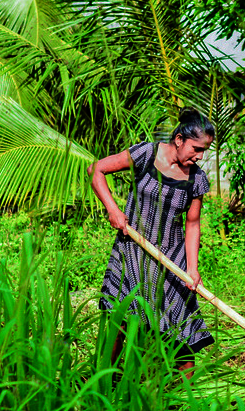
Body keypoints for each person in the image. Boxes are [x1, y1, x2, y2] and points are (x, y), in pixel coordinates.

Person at [89, 108, 215, 375]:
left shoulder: (197, 179)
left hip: (172, 260)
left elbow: (192, 224)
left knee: (183, 335)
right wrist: (113, 209)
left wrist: (192, 269)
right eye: (196, 148)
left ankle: (178, 405)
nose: (200, 156)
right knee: (119, 320)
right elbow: (96, 169)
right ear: (179, 139)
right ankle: (104, 384)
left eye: (205, 150)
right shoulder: (145, 154)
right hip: (131, 252)